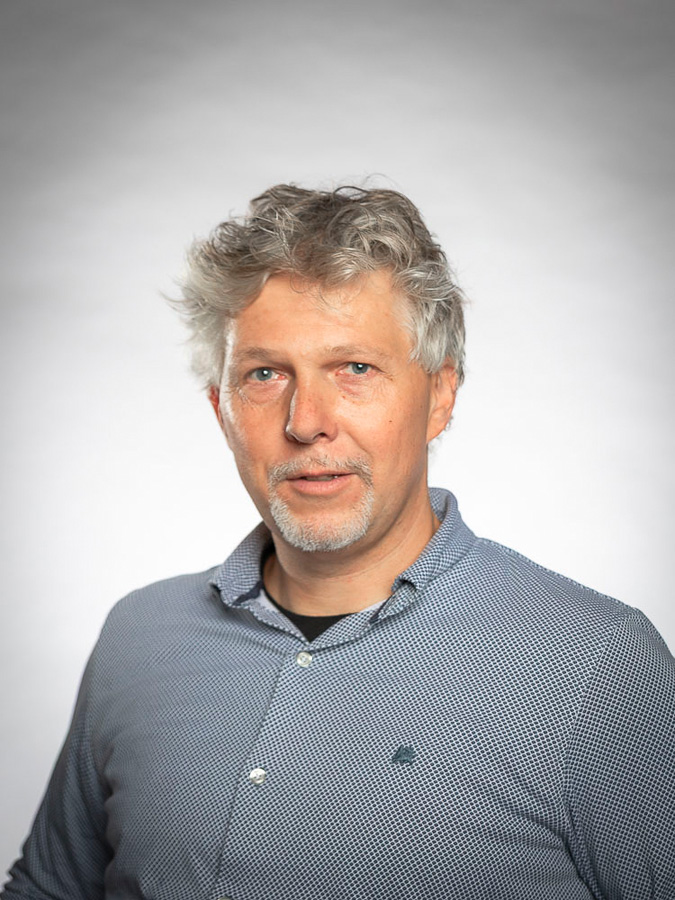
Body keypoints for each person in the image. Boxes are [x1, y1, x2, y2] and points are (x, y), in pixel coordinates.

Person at [2, 184, 674, 900]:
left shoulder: (597, 666)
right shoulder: (138, 635)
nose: (306, 421)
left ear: (440, 396)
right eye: (264, 374)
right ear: (221, 410)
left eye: (354, 368)